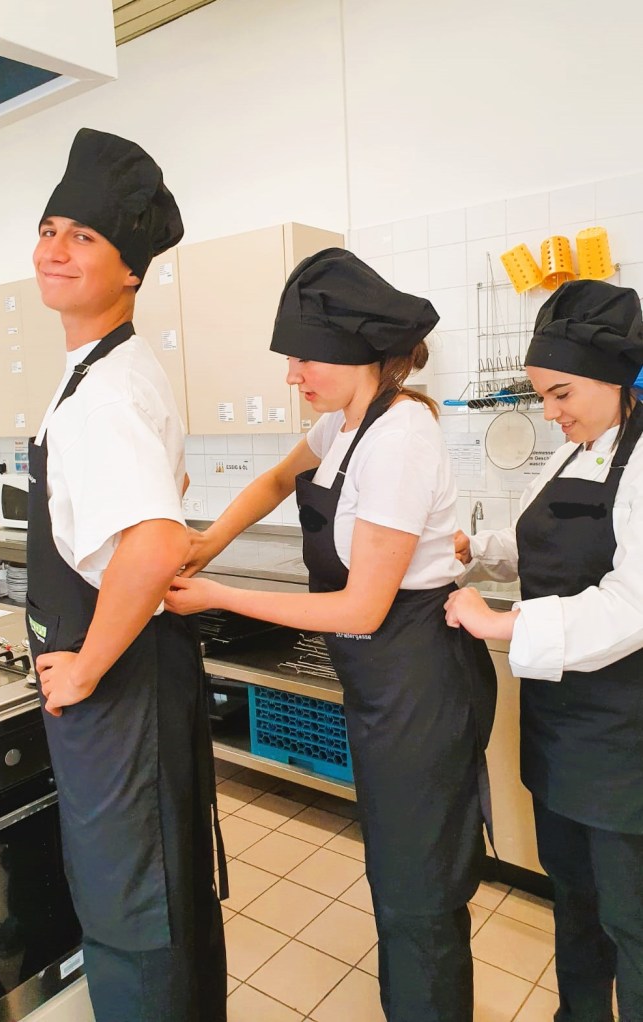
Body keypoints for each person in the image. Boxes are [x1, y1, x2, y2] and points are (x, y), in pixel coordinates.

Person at [166, 248, 497, 1022]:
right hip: (381, 687)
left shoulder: (400, 437)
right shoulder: (341, 426)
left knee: (419, 888)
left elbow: (360, 609)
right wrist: (206, 542)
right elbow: (273, 480)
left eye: (303, 358)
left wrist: (217, 595)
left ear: (356, 353)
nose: (291, 375)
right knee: (397, 868)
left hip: (418, 681)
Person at [24, 127, 227, 1022]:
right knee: (156, 893)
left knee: (132, 909)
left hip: (117, 690)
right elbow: (160, 499)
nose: (55, 249)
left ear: (131, 270)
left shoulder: (102, 392)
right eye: (49, 230)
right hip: (133, 682)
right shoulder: (106, 369)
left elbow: (150, 543)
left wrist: (83, 670)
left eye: (84, 237)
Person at [445, 279, 643, 1022]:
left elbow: (631, 604)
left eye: (562, 394)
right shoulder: (568, 455)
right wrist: (475, 551)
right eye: (541, 396)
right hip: (559, 729)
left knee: (632, 920)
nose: (551, 412)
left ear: (613, 377)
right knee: (574, 898)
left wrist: (502, 625)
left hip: (625, 741)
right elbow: (530, 540)